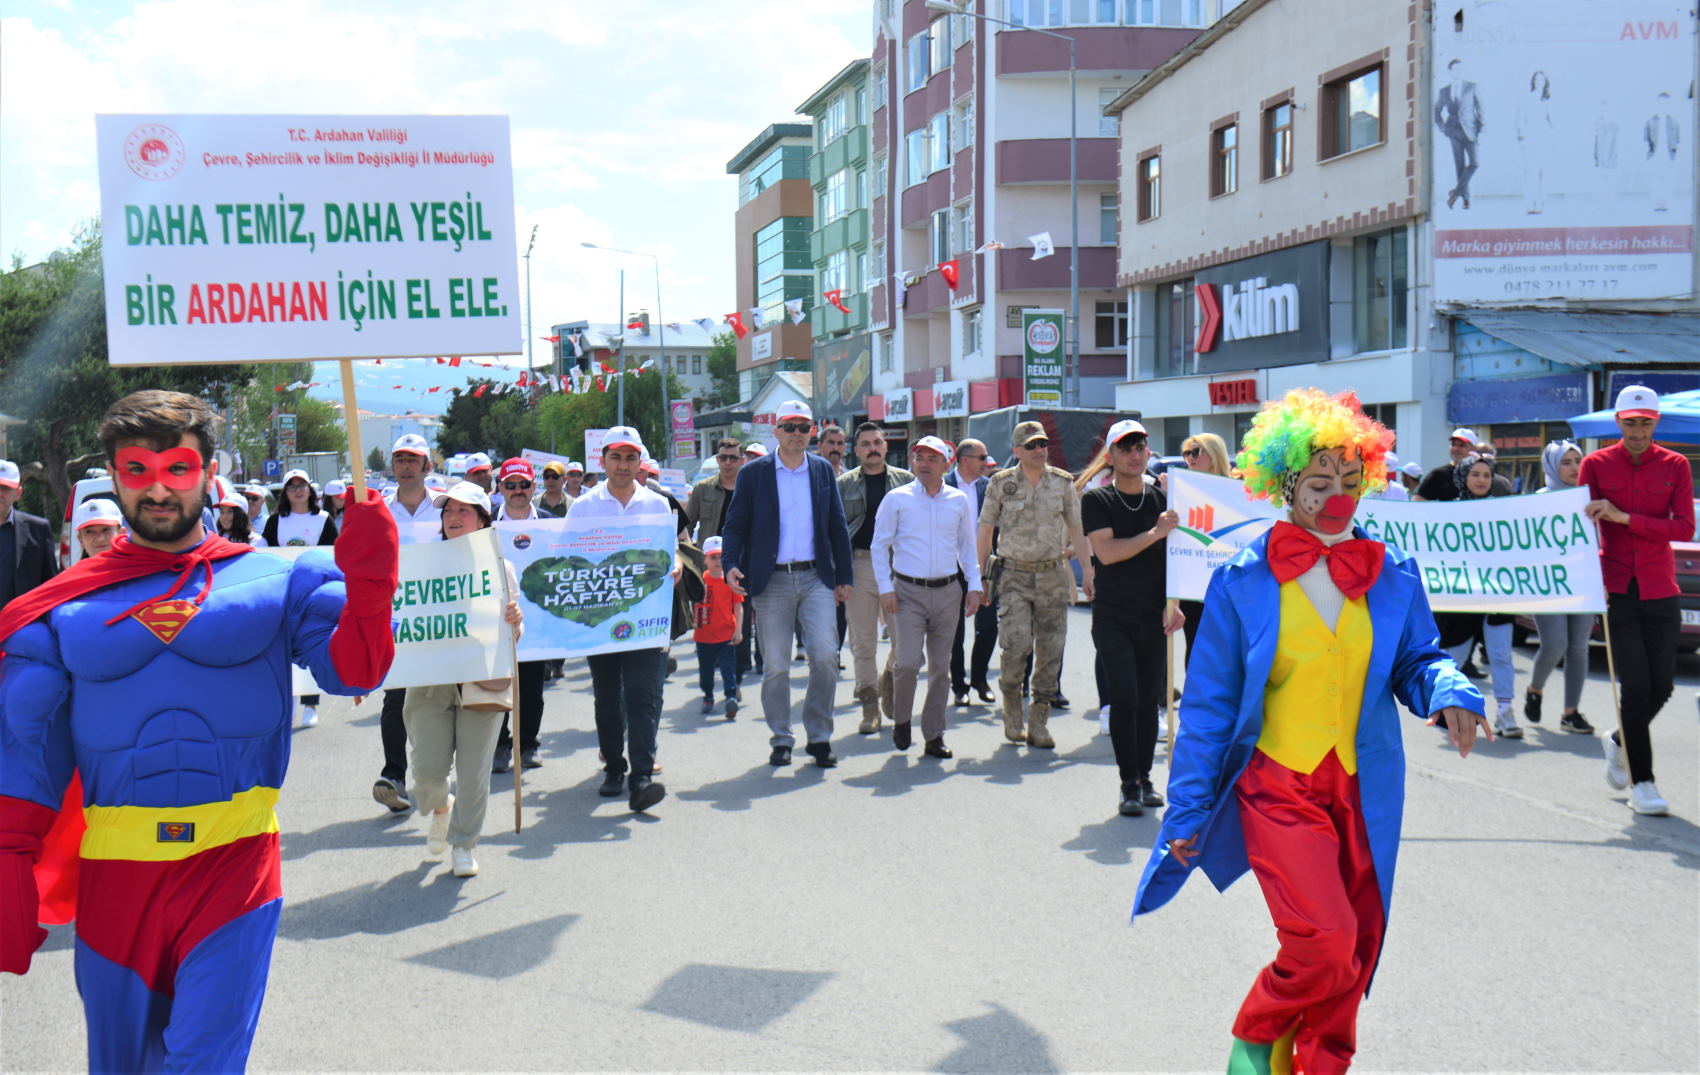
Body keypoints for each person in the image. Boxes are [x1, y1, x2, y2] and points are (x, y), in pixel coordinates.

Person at [0, 389, 397, 1070]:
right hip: (115, 878)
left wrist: (371, 579)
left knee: (201, 1063)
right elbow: (25, 743)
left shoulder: (281, 578)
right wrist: (9, 854)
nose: (157, 488)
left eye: (177, 468)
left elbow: (354, 671)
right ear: (116, 478)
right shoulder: (63, 607)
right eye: (137, 470)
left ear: (209, 474)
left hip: (233, 864)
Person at [1135, 387, 1487, 1074]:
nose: (1337, 496)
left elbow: (1419, 657)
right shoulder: (1243, 579)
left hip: (1361, 787)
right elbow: (1207, 709)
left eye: (1350, 480)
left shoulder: (1390, 573)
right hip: (1277, 786)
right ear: (1286, 482)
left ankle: (1320, 1066)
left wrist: (1451, 692)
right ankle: (1254, 1039)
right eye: (1320, 481)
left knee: (1358, 945)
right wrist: (1186, 807)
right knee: (1324, 942)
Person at [720, 400, 854, 769]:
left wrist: (844, 577)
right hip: (772, 580)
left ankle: (819, 736)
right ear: (776, 431)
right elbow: (735, 525)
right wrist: (730, 564)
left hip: (816, 578)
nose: (797, 433)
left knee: (826, 657)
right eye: (790, 426)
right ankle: (781, 737)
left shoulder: (823, 470)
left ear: (812, 430)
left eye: (804, 426)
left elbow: (836, 527)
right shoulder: (754, 473)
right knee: (776, 664)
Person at [1580, 385, 1693, 816]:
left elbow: (1683, 528)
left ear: (1655, 423)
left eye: (1646, 423)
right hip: (1616, 588)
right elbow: (1580, 526)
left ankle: (1619, 739)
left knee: (1663, 685)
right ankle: (1643, 783)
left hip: (1661, 585)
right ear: (1619, 423)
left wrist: (1626, 518)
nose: (1639, 431)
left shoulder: (1676, 465)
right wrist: (1589, 576)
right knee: (1637, 686)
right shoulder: (1595, 464)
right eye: (1631, 423)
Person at [404, 480, 524, 878]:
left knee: (473, 775)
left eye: (463, 511)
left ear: (482, 520)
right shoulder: (422, 563)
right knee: (426, 776)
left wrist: (514, 623)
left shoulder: (500, 566)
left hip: (483, 679)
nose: (453, 518)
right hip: (430, 679)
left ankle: (464, 843)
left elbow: (513, 636)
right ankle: (441, 809)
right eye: (448, 511)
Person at [566, 426, 679, 811]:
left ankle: (642, 777)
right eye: (616, 457)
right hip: (601, 619)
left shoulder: (658, 505)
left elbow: (671, 551)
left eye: (631, 457)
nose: (623, 465)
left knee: (644, 696)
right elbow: (569, 560)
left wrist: (676, 564)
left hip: (647, 617)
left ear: (640, 462)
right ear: (603, 461)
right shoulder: (583, 507)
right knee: (608, 699)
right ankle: (615, 766)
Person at [1082, 420, 1186, 817]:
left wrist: (1173, 603)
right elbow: (1107, 553)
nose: (1134, 454)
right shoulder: (1097, 500)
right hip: (1113, 615)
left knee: (1149, 703)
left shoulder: (1162, 499)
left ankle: (1144, 778)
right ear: (1111, 457)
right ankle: (1128, 782)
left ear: (1148, 452)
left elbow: (1173, 556)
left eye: (1140, 447)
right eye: (1125, 448)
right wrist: (1153, 534)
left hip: (1153, 614)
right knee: (1124, 698)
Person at [976, 421, 1093, 749]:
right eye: (1031, 446)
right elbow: (985, 530)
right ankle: (1013, 706)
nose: (1039, 450)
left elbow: (1077, 528)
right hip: (1012, 576)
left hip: (1052, 576)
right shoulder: (1000, 484)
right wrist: (982, 577)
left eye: (1042, 444)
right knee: (1015, 646)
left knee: (1050, 651)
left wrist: (1088, 570)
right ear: (1016, 451)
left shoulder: (1062, 483)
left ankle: (1039, 720)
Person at [870, 436, 983, 758]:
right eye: (919, 457)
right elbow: (880, 546)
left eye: (932, 459)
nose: (924, 463)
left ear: (947, 464)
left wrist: (974, 586)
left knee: (940, 667)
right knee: (906, 663)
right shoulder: (897, 498)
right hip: (906, 592)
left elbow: (966, 547)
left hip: (948, 591)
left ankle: (934, 735)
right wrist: (885, 589)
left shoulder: (958, 500)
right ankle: (902, 720)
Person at [374, 433, 441, 814]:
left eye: (413, 459)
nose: (406, 465)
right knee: (395, 697)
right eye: (400, 458)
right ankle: (394, 775)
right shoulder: (379, 510)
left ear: (426, 467)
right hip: (396, 615)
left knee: (441, 698)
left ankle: (437, 775)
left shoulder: (447, 507)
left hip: (441, 616)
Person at [1435, 453, 1521, 738]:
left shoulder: (1503, 514)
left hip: (1496, 598)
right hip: (1460, 601)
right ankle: (1447, 711)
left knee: (1500, 656)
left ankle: (1506, 713)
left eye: (1487, 475)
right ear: (1463, 477)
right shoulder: (1446, 513)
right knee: (1454, 657)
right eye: (1475, 474)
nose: (1482, 480)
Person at [838, 422, 915, 733]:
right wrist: (837, 575)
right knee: (863, 642)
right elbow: (836, 533)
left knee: (905, 642)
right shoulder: (843, 484)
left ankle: (888, 680)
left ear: (886, 447)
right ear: (856, 451)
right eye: (865, 443)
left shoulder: (906, 482)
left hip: (900, 567)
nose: (872, 448)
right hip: (860, 566)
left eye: (877, 442)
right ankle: (869, 705)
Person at [1525, 440, 1597, 736]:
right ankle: (1535, 688)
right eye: (1566, 462)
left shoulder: (1589, 498)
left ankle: (1571, 712)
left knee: (1579, 648)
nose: (1573, 468)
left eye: (1577, 461)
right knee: (1555, 645)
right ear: (1553, 466)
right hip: (1548, 585)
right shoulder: (1538, 500)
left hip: (1583, 583)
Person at [262, 469, 338, 728]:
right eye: (292, 486)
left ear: (310, 489)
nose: (297, 490)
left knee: (312, 644)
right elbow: (266, 553)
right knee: (284, 647)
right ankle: (290, 700)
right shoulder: (275, 521)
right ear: (285, 492)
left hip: (315, 594)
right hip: (285, 591)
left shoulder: (323, 519)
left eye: (302, 485)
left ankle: (311, 703)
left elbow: (333, 553)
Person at [489, 458, 549, 773]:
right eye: (510, 485)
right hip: (498, 619)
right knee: (499, 687)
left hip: (538, 621)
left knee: (531, 690)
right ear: (500, 489)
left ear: (533, 487)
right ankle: (500, 746)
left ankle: (528, 745)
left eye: (523, 485)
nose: (517, 491)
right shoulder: (485, 524)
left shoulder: (553, 522)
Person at [1175, 433, 1235, 670]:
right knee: (1196, 643)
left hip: (1227, 581)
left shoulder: (1236, 491)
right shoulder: (1181, 490)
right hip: (1194, 582)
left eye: (1196, 452)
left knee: (1226, 646)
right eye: (1186, 453)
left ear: (1214, 453)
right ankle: (1195, 701)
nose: (1190, 457)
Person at [946, 438, 996, 705]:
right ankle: (958, 685)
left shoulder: (990, 488)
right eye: (982, 457)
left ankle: (980, 678)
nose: (987, 462)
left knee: (988, 626)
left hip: (983, 568)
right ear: (966, 460)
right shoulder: (943, 485)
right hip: (950, 570)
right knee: (955, 631)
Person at [694, 536, 744, 718]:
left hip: (726, 635)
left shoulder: (731, 580)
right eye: (713, 557)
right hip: (704, 636)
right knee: (706, 671)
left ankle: (730, 697)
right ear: (705, 559)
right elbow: (691, 603)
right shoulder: (700, 580)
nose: (717, 562)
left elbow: (738, 606)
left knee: (728, 668)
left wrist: (738, 629)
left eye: (721, 557)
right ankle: (708, 696)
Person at [0, 459, 60, 604]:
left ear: (18, 493)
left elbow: (50, 585)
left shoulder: (38, 529)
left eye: (6, 488)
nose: (0, 494)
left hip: (24, 623)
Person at [1436, 57, 1484, 210]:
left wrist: (1482, 129)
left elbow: (1480, 108)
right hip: (1453, 131)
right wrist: (1443, 128)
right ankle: (1466, 200)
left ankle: (1456, 192)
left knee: (1475, 163)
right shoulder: (1444, 91)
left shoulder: (1472, 87)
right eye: (1455, 69)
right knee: (1460, 165)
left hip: (1471, 129)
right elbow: (1436, 111)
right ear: (1450, 72)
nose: (1458, 72)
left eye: (1460, 69)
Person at [1516, 71, 1555, 214]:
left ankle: (1541, 202)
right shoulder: (1526, 98)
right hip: (1530, 139)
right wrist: (1521, 138)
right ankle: (1531, 202)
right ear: (1533, 82)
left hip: (1544, 139)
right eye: (1536, 80)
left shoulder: (1548, 100)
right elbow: (1520, 120)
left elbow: (1553, 122)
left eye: (1542, 80)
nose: (1539, 83)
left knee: (1543, 172)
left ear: (1545, 82)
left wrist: (1553, 140)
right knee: (1530, 172)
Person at [1413, 427, 1478, 501]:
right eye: (1453, 444)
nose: (1456, 449)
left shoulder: (1482, 475)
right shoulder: (1438, 474)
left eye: (1462, 445)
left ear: (1473, 449)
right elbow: (1418, 502)